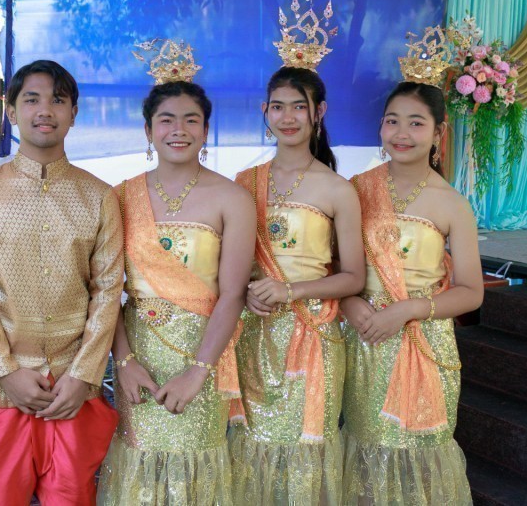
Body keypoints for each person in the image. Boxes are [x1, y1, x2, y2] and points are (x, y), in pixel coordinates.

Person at [0, 60, 123, 506]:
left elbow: (108, 291)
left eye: (58, 100)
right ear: (11, 111)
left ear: (74, 113)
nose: (45, 110)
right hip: (0, 390)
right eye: (32, 99)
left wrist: (83, 376)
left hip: (72, 389)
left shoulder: (99, 196)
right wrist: (4, 372)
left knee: (73, 497)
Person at [97, 40, 256, 505]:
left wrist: (198, 372)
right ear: (148, 130)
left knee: (195, 466)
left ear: (206, 130)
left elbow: (233, 294)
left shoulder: (233, 199)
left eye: (191, 120)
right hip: (138, 356)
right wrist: (123, 362)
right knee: (140, 465)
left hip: (205, 352)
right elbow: (106, 290)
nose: (179, 130)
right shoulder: (119, 196)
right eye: (166, 120)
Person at [340, 34, 483, 504]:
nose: (401, 133)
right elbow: (338, 265)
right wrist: (350, 302)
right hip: (363, 339)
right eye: (392, 121)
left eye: (416, 123)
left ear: (439, 132)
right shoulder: (354, 189)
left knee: (418, 455)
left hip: (423, 343)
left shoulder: (452, 203)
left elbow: (471, 291)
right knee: (363, 450)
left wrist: (406, 311)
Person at [231, 64, 365, 504]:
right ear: (264, 111)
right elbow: (231, 265)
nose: (287, 118)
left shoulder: (337, 189)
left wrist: (291, 291)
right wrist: (245, 292)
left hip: (313, 336)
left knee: (307, 448)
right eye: (278, 107)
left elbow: (353, 276)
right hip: (253, 333)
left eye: (298, 107)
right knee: (251, 444)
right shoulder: (244, 183)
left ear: (318, 112)